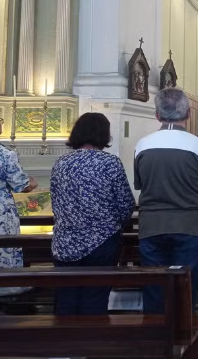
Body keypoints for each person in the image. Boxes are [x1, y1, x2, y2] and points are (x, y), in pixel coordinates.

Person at [134, 88, 198, 313]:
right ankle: (182, 337)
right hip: (190, 225)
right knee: (185, 289)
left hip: (151, 227)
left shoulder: (143, 145)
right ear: (188, 113)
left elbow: (140, 185)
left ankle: (155, 339)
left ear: (157, 115)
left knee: (154, 289)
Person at [50, 113, 135, 315]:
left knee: (66, 296)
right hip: (102, 241)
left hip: (65, 242)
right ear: (104, 135)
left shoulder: (61, 163)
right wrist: (117, 225)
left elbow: (55, 202)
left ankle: (64, 341)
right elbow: (125, 203)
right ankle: (92, 341)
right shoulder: (110, 163)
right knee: (96, 295)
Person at [0, 117, 38, 297]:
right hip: (2, 209)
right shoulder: (5, 154)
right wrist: (32, 182)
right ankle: (7, 288)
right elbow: (21, 185)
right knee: (4, 245)